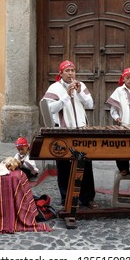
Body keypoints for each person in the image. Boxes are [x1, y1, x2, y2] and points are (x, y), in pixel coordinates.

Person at [42, 60, 97, 209]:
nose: (71, 73)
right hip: (63, 131)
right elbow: (49, 109)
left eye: (72, 70)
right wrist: (66, 96)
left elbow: (90, 104)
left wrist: (79, 93)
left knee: (85, 162)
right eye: (67, 71)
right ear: (61, 73)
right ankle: (66, 197)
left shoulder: (82, 86)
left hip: (81, 130)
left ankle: (87, 198)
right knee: (64, 164)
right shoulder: (54, 88)